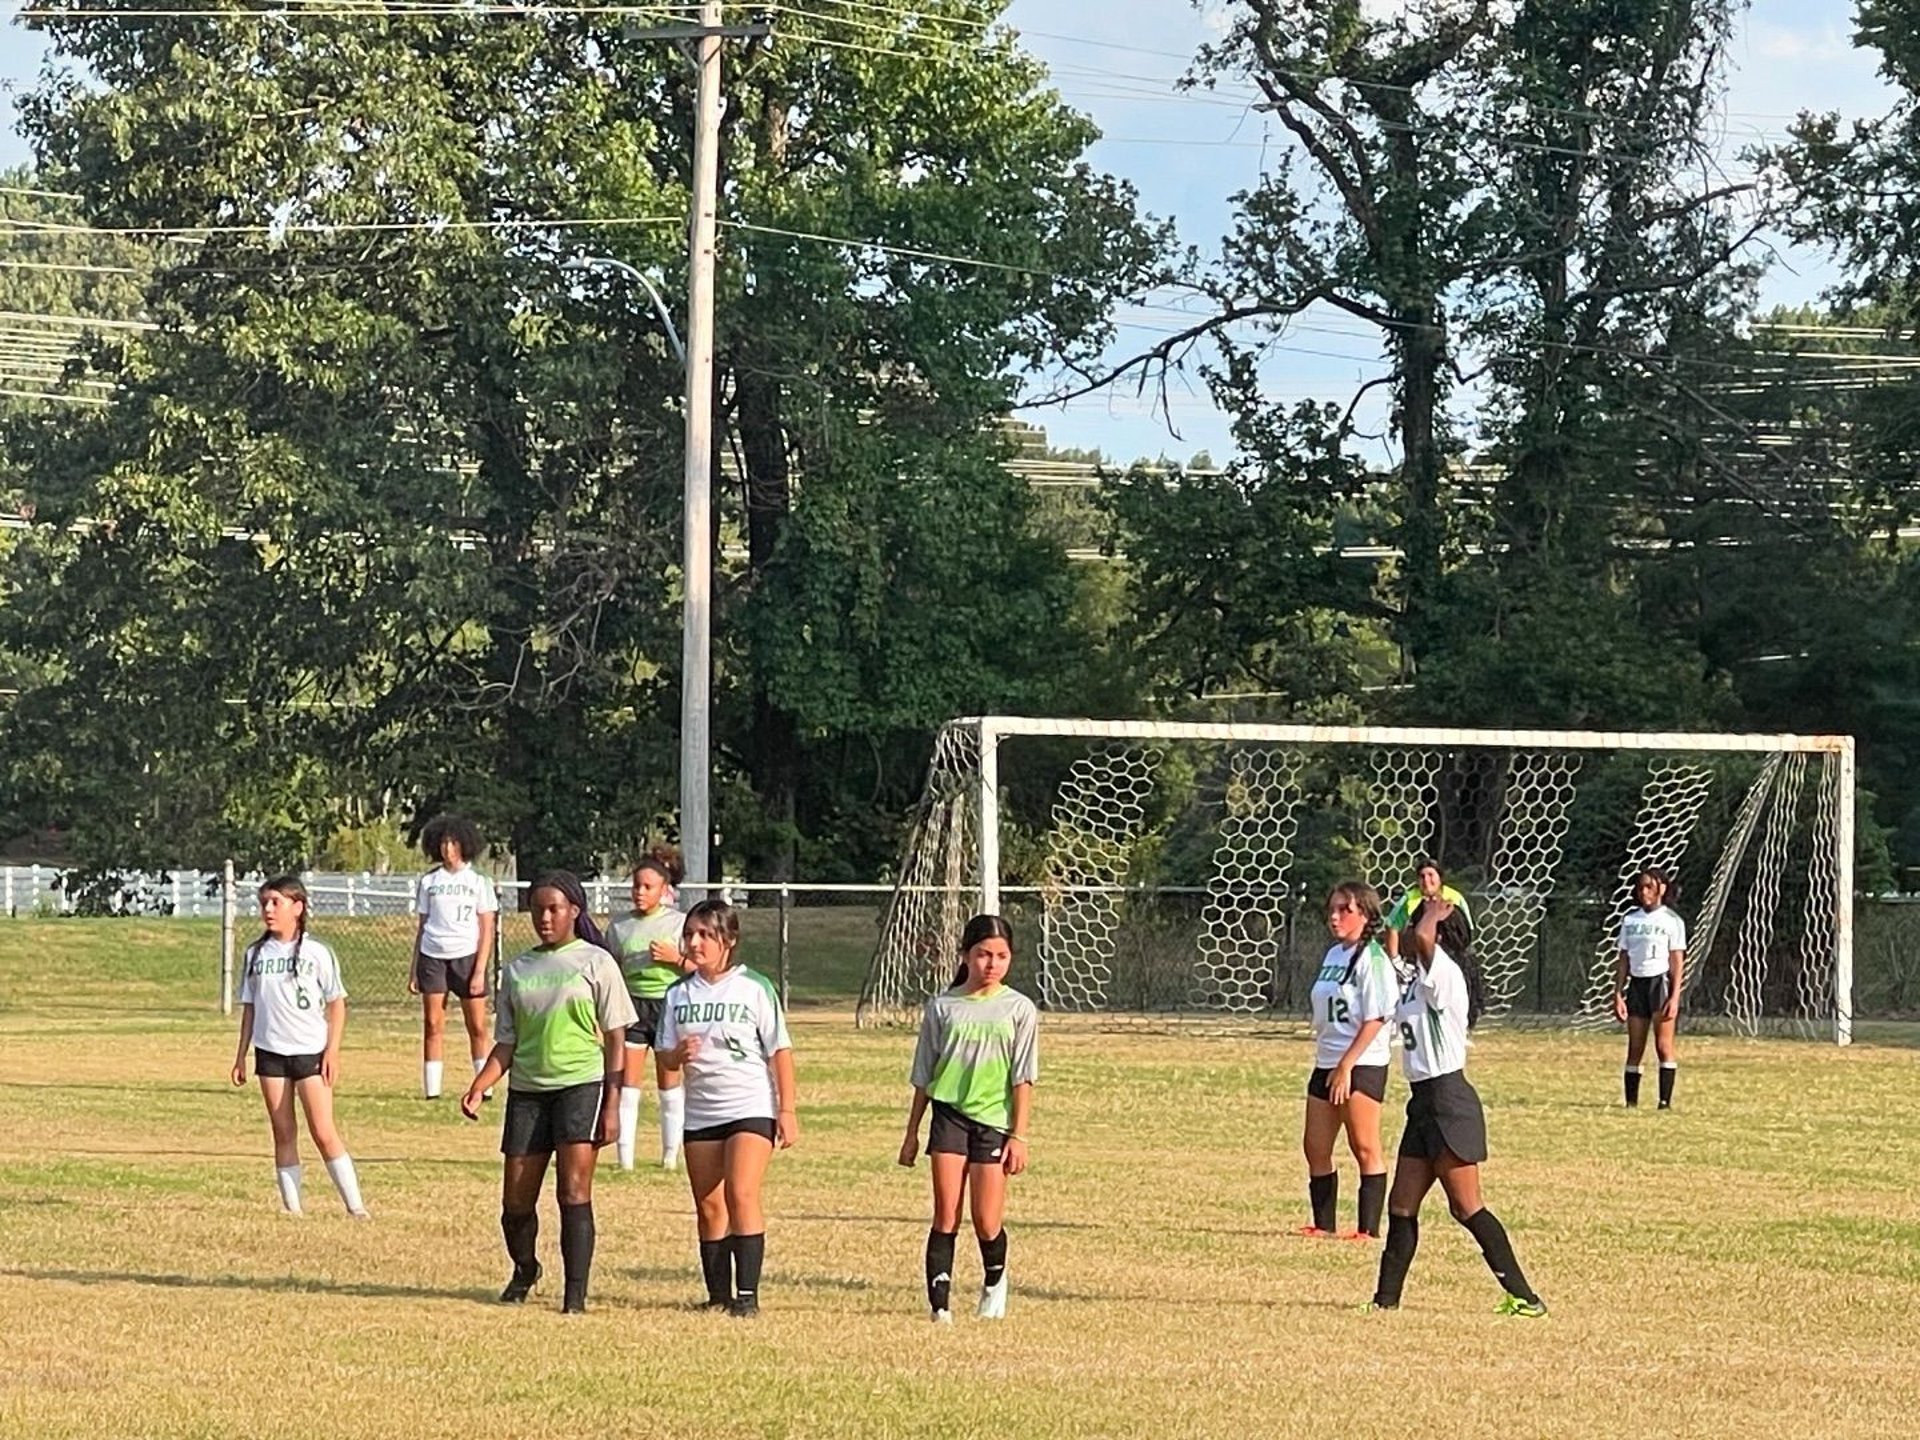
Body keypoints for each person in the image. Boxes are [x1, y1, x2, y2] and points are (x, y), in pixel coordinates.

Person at [462, 871, 635, 1314]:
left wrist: (613, 1104)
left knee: (573, 1192)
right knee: (515, 1202)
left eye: (554, 908)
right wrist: (481, 1085)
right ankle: (526, 1268)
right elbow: (507, 1042)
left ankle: (574, 1296)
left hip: (580, 1087)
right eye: (537, 909)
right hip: (528, 1093)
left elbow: (616, 1038)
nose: (544, 917)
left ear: (574, 911)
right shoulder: (518, 970)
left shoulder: (597, 963)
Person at [1368, 898, 1545, 1317]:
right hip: (1422, 1103)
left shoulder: (1444, 972)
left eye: (1418, 927)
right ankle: (1384, 1303)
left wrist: (1433, 910)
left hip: (1448, 1102)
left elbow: (1422, 936)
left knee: (1466, 1207)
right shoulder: (1416, 977)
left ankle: (1525, 1297)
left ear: (1438, 934)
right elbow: (1392, 945)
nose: (1409, 933)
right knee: (1402, 1205)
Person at [655, 899, 797, 1318]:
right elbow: (664, 1057)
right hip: (702, 1112)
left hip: (749, 1105)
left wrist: (787, 1110)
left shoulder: (753, 987)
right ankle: (718, 1295)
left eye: (706, 934)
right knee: (709, 1204)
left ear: (729, 940)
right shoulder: (678, 993)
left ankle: (747, 1296)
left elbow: (779, 1050)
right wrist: (676, 1055)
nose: (695, 943)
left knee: (741, 1192)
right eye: (690, 934)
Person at [899, 914, 1038, 1323]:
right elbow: (924, 1076)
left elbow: (1023, 1077)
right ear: (964, 955)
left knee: (986, 1220)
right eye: (982, 954)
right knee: (946, 1214)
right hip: (949, 1117)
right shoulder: (943, 1007)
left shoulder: (1019, 1009)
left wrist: (1019, 1136)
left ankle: (994, 1281)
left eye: (1001, 956)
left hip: (994, 1122)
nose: (991, 964)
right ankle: (940, 1308)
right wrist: (911, 1133)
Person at [229, 875, 369, 1219]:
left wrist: (332, 1051)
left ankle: (355, 1207)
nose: (268, 909)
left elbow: (336, 1004)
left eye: (276, 902)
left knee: (323, 1131)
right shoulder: (255, 954)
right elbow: (250, 1007)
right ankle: (292, 1208)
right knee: (283, 1131)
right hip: (270, 1053)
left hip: (309, 1052)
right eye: (264, 903)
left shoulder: (316, 952)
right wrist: (241, 1055)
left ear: (298, 907)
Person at [1302, 882, 1394, 1240]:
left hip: (1360, 1063)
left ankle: (1367, 1229)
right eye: (1332, 909)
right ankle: (1323, 1224)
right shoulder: (1334, 954)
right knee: (1315, 1147)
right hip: (1326, 1061)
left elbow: (1377, 1017)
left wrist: (1347, 1065)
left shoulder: (1372, 957)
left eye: (1345, 910)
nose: (1335, 916)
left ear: (1366, 915)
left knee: (1364, 1145)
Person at [604, 849, 690, 1170]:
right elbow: (610, 970)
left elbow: (700, 969)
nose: (640, 892)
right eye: (636, 885)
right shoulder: (619, 926)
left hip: (668, 1007)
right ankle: (625, 1160)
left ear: (664, 889)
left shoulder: (679, 924)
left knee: (669, 1083)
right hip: (632, 1008)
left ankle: (669, 1157)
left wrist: (676, 958)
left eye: (648, 887)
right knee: (628, 1084)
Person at [410, 814, 499, 1100]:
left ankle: (483, 1086)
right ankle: (432, 1090)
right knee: (433, 1024)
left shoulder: (478, 881)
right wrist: (414, 969)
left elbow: (487, 928)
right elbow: (422, 926)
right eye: (443, 843)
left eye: (453, 842)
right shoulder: (429, 881)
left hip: (467, 957)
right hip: (433, 957)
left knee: (477, 1026)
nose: (448, 848)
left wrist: (479, 969)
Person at [1612, 866, 1687, 1109]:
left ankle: (1664, 1102)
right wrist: (1618, 993)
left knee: (1663, 1046)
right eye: (1640, 887)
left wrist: (1674, 996)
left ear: (1661, 889)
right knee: (1635, 1048)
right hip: (1637, 985)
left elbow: (1677, 960)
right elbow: (1624, 958)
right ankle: (1631, 1103)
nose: (1644, 892)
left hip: (1659, 984)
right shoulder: (1630, 920)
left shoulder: (1672, 921)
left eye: (1649, 887)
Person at [1383, 860, 1473, 962]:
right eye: (1422, 876)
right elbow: (1392, 927)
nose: (1426, 880)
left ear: (1440, 878)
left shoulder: (1455, 898)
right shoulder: (1409, 899)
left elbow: (1468, 931)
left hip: (1453, 957)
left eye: (1430, 875)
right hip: (1418, 958)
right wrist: (1396, 960)